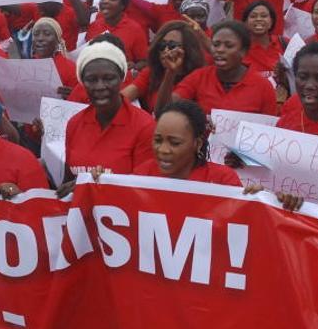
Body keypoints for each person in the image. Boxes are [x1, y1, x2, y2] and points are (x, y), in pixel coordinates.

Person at [57, 41, 155, 196]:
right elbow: (67, 183)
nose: (100, 86)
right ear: (82, 82)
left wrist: (91, 185)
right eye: (91, 79)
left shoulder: (144, 126)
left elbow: (144, 191)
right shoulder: (75, 123)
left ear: (121, 78)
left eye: (109, 78)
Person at [166, 20, 278, 115]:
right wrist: (170, 72)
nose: (220, 50)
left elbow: (269, 128)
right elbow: (166, 109)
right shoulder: (199, 77)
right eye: (216, 45)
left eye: (228, 46)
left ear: (243, 51)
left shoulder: (263, 87)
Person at [133, 100, 241, 186]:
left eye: (174, 143)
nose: (163, 150)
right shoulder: (142, 175)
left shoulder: (223, 180)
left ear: (197, 144)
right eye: (158, 140)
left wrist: (254, 197)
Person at [122, 21, 206, 113]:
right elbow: (123, 98)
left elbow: (166, 110)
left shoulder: (198, 77)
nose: (166, 51)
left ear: (188, 49)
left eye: (172, 46)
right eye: (162, 45)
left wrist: (170, 72)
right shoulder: (151, 72)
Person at [85, 0, 149, 69]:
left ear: (123, 5)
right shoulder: (94, 25)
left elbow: (144, 61)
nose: (105, 1)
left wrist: (134, 66)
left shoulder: (135, 29)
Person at [30, 17, 78, 98]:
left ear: (57, 40)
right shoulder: (27, 66)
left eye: (47, 34)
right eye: (36, 34)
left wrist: (73, 96)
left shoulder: (70, 68)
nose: (40, 38)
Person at [242, 0, 285, 78]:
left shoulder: (285, 43)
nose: (259, 19)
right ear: (245, 23)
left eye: (264, 16)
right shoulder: (239, 49)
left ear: (271, 22)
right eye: (253, 16)